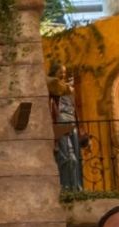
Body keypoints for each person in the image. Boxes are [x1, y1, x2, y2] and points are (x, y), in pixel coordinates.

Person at [48, 63, 83, 192]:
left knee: (76, 157)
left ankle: (76, 186)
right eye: (60, 72)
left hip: (72, 122)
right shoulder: (54, 85)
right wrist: (68, 87)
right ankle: (67, 186)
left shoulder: (66, 88)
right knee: (67, 156)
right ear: (54, 72)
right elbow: (55, 86)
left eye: (64, 72)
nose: (63, 74)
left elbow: (75, 108)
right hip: (61, 122)